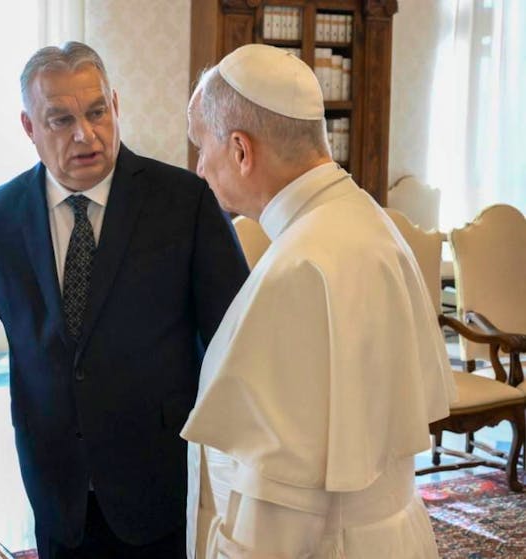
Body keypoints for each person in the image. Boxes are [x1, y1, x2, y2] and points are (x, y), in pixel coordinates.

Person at [0, 42, 248, 558]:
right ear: (29, 126)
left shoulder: (183, 202)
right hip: (54, 479)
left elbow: (236, 338)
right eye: (61, 120)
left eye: (96, 112)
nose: (85, 134)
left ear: (115, 105)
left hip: (158, 472)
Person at [181, 44, 456, 558]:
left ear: (240, 150)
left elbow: (278, 502)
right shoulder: (366, 217)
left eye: (202, 147)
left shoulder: (298, 268)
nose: (199, 168)